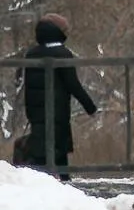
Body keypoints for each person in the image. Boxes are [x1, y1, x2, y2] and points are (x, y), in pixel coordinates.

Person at [16, 14, 97, 181]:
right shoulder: (62, 54)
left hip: (36, 112)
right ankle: (63, 180)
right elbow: (72, 84)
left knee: (44, 146)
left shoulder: (32, 53)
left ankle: (51, 180)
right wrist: (90, 106)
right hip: (57, 109)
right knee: (58, 146)